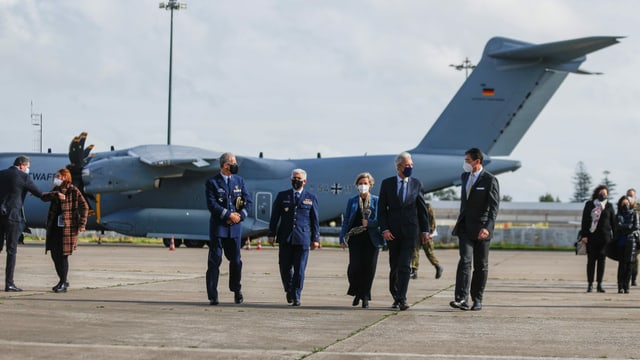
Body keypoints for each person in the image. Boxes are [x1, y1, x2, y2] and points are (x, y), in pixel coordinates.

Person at [378, 152, 430, 311]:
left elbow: (422, 209)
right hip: (392, 232)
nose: (410, 168)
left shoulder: (416, 184)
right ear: (398, 166)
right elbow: (381, 210)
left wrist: (425, 230)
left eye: (412, 165)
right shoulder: (387, 184)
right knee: (394, 265)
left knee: (405, 265)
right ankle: (395, 295)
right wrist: (385, 229)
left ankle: (402, 298)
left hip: (410, 230)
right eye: (407, 165)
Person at [450, 148, 500, 311]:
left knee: (481, 265)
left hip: (481, 229)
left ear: (477, 161)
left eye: (467, 160)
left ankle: (477, 298)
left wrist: (488, 227)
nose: (465, 163)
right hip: (465, 227)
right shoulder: (465, 177)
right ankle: (461, 299)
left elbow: (494, 207)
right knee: (464, 261)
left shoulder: (490, 180)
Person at [205, 152, 252, 305]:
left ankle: (236, 289)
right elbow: (212, 205)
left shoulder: (239, 181)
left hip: (235, 230)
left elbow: (248, 202)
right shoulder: (212, 182)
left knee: (236, 261)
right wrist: (228, 215)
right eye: (233, 162)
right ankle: (213, 295)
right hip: (219, 229)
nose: (236, 165)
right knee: (215, 261)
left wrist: (240, 216)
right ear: (225, 165)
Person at [268, 169, 320, 306]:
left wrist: (316, 239)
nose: (296, 180)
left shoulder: (311, 198)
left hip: (302, 238)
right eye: (294, 178)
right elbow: (274, 217)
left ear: (304, 181)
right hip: (285, 237)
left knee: (300, 268)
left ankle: (296, 295)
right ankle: (289, 289)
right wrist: (271, 234)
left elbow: (315, 220)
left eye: (298, 178)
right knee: (284, 267)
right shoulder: (282, 196)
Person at [339, 172, 384, 309]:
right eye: (360, 184)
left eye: (365, 183)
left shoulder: (377, 201)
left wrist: (369, 223)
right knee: (354, 268)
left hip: (372, 239)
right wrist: (342, 237)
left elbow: (382, 220)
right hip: (355, 238)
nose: (363, 186)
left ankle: (364, 296)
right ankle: (357, 291)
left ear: (370, 185)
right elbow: (346, 220)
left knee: (368, 269)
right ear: (356, 186)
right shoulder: (352, 201)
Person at [0, 155, 44, 292]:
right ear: (21, 165)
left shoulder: (1, 174)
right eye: (28, 167)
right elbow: (39, 194)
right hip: (12, 217)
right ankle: (9, 283)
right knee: (11, 250)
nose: (28, 170)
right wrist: (55, 195)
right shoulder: (23, 177)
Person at [41, 168, 89, 293]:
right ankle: (63, 280)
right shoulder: (56, 190)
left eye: (58, 176)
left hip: (67, 229)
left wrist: (82, 223)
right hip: (55, 227)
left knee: (63, 256)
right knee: (54, 255)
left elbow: (84, 206)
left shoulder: (73, 190)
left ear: (65, 177)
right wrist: (55, 194)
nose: (56, 178)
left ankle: (63, 282)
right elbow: (44, 197)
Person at [579, 185, 615, 293]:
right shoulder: (590, 204)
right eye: (601, 193)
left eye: (604, 193)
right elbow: (584, 221)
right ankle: (590, 284)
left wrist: (615, 237)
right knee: (591, 261)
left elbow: (613, 222)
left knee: (602, 262)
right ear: (596, 193)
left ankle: (599, 284)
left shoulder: (609, 206)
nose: (602, 195)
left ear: (607, 195)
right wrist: (584, 235)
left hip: (605, 238)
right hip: (591, 237)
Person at [609, 195, 640, 293]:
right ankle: (620, 285)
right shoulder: (618, 215)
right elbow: (618, 226)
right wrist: (628, 227)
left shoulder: (634, 214)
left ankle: (627, 286)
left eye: (627, 203)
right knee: (622, 264)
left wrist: (626, 227)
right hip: (621, 242)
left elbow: (636, 227)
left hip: (632, 242)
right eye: (623, 203)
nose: (625, 205)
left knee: (630, 265)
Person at [410, 202, 443, 280]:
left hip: (426, 233)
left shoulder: (427, 206)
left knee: (429, 252)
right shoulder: (412, 206)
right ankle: (414, 271)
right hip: (416, 233)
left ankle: (438, 266)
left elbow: (432, 219)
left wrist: (431, 231)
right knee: (414, 251)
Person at [626, 188, 638, 286]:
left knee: (634, 258)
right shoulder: (623, 206)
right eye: (628, 195)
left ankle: (633, 278)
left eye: (632, 195)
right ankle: (626, 278)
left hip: (636, 236)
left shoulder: (638, 208)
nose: (630, 197)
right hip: (625, 236)